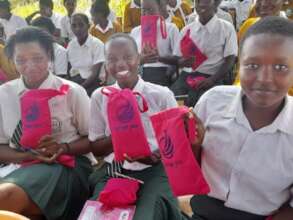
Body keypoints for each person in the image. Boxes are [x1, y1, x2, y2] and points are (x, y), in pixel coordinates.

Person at [191, 16, 293, 220]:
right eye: (252, 65)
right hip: (203, 211)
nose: (264, 79)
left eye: (280, 67)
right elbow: (191, 165)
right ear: (239, 66)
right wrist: (193, 144)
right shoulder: (213, 101)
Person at [88, 33, 189, 220]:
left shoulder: (160, 95)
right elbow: (96, 148)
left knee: (147, 214)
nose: (120, 64)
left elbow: (176, 144)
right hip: (116, 169)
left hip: (155, 169)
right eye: (112, 59)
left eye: (128, 57)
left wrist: (155, 157)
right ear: (105, 64)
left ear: (138, 59)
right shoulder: (99, 97)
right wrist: (123, 137)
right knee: (97, 215)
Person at [0, 27, 96, 220]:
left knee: (6, 198)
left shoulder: (71, 92)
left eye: (38, 58)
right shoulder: (4, 94)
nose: (30, 66)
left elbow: (94, 140)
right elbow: (1, 146)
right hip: (20, 164)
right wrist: (26, 156)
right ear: (12, 61)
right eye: (21, 60)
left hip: (67, 165)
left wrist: (63, 147)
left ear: (50, 56)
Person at [172, 0, 237, 106]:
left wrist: (212, 79)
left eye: (206, 1)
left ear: (215, 4)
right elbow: (177, 58)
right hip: (188, 76)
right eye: (197, 2)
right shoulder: (186, 30)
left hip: (213, 76)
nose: (201, 4)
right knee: (173, 99)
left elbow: (230, 59)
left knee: (204, 104)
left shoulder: (226, 28)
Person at [234, 0, 286, 86]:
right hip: (241, 89)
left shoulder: (289, 34)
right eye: (258, 0)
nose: (264, 4)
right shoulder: (248, 25)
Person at [130, 0, 180, 87]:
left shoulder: (170, 28)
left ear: (159, 8)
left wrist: (159, 58)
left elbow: (178, 58)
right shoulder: (135, 31)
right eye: (143, 10)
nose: (146, 13)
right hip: (138, 72)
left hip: (161, 72)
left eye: (150, 10)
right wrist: (140, 60)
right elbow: (130, 59)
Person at [67, 13, 105, 95]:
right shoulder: (71, 45)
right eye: (74, 25)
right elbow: (69, 68)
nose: (77, 29)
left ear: (88, 26)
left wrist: (79, 89)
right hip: (75, 81)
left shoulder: (97, 44)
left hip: (93, 83)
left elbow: (95, 75)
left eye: (81, 25)